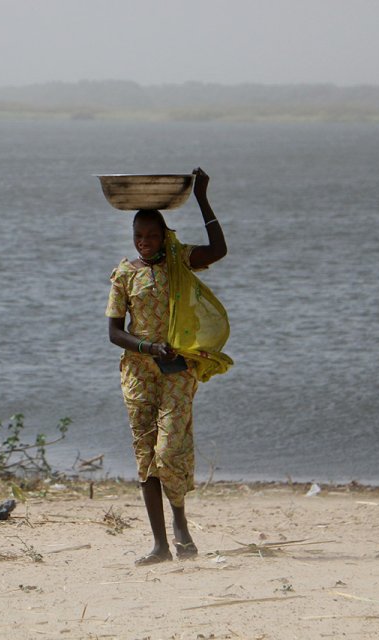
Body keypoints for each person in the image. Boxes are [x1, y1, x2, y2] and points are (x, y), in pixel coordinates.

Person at [105, 167, 228, 565]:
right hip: (138, 375)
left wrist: (202, 198)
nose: (145, 243)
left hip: (177, 373)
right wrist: (148, 347)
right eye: (139, 236)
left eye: (152, 236)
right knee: (145, 457)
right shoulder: (124, 275)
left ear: (164, 237)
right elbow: (113, 332)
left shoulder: (179, 261)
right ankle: (160, 545)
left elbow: (219, 250)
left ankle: (180, 525)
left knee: (169, 450)